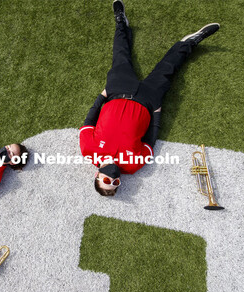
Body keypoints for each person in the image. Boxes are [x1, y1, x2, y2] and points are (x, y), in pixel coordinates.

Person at [79, 0, 220, 196]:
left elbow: (89, 121)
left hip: (116, 92)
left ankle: (121, 23)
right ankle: (190, 42)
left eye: (106, 181)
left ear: (96, 175)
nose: (112, 178)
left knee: (120, 55)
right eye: (115, 182)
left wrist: (101, 96)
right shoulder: (133, 166)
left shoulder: (89, 151)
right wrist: (156, 113)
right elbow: (150, 142)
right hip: (147, 101)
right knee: (168, 70)